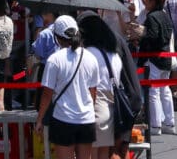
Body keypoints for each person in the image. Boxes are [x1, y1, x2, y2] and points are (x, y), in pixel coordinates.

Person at [79, 11, 142, 159]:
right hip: (112, 109)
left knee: (91, 155)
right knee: (106, 153)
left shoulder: (88, 54)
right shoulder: (112, 54)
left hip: (94, 107)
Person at [35, 16, 99, 159]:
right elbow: (93, 92)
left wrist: (40, 119)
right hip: (86, 118)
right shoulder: (91, 57)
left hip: (63, 118)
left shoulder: (54, 60)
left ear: (57, 37)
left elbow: (47, 94)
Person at [140, 0, 175, 135]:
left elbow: (152, 37)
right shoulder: (165, 15)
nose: (144, 1)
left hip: (154, 58)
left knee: (154, 91)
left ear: (153, 1)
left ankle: (155, 125)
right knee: (165, 90)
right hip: (166, 57)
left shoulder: (152, 17)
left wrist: (141, 35)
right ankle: (169, 123)